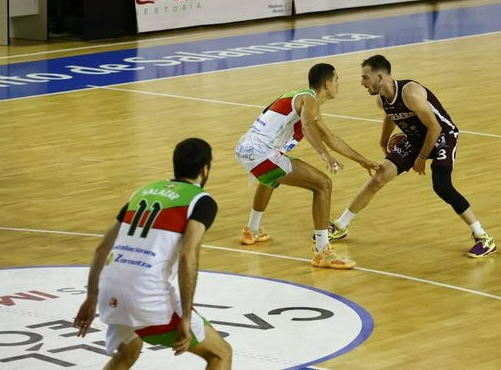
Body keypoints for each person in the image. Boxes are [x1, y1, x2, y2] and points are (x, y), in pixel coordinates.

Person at [73, 138, 232, 370]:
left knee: (129, 351)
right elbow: (188, 257)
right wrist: (186, 317)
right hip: (145, 296)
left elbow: (102, 248)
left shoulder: (142, 192)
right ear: (204, 169)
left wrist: (91, 297)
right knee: (220, 354)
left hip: (111, 292)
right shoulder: (201, 201)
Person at [329, 55, 497, 258]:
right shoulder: (382, 100)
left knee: (442, 185)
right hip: (416, 138)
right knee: (378, 178)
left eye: (365, 77)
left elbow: (434, 127)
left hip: (442, 135)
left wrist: (421, 158)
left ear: (380, 77)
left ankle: (483, 237)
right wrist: (383, 140)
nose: (362, 83)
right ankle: (341, 225)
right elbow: (391, 115)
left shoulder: (411, 94)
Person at [235, 63, 379, 269]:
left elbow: (332, 139)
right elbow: (307, 125)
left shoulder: (305, 102)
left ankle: (251, 230)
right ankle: (322, 251)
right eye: (336, 80)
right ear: (327, 84)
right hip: (260, 152)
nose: (339, 84)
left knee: (272, 176)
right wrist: (323, 154)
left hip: (245, 148)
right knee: (323, 184)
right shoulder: (308, 98)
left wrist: (363, 161)